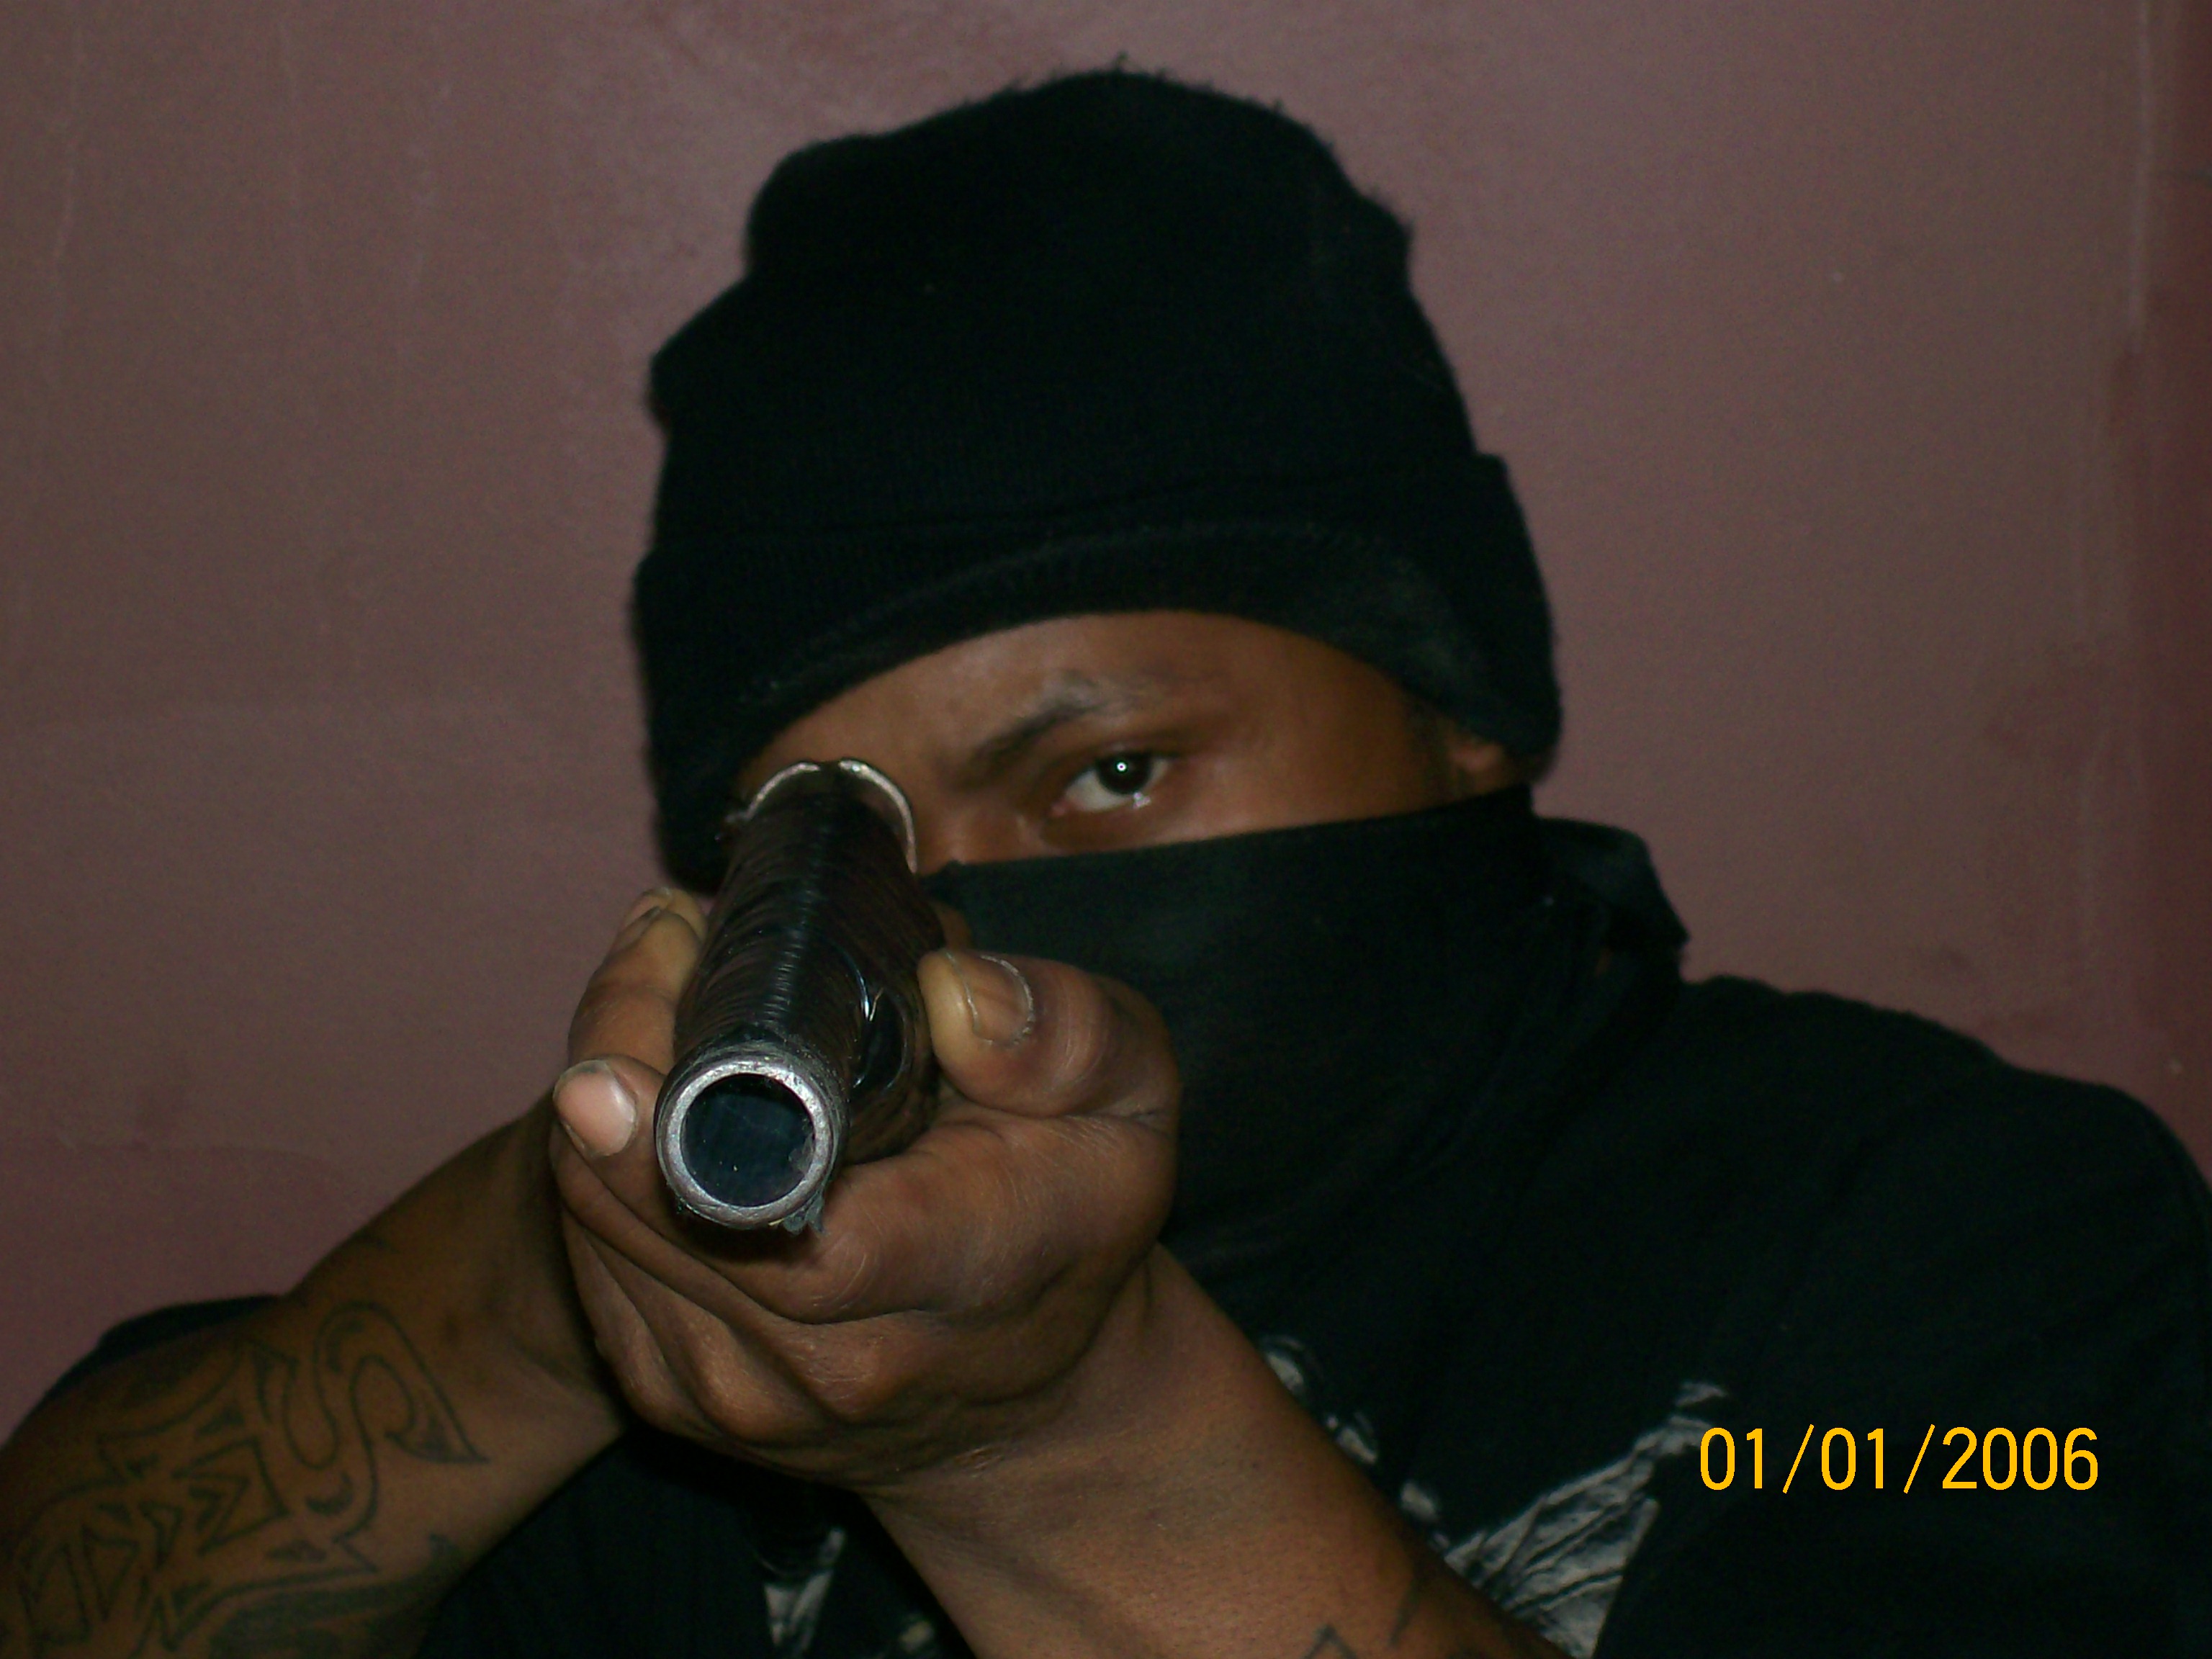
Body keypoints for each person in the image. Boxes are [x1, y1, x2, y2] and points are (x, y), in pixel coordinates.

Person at [2, 69, 2206, 1659]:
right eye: (834, 840)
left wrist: (1060, 1445)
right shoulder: (692, 1347)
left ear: (1462, 707)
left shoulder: (1941, 1262)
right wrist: (551, 1282)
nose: (966, 928)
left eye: (1115, 775)